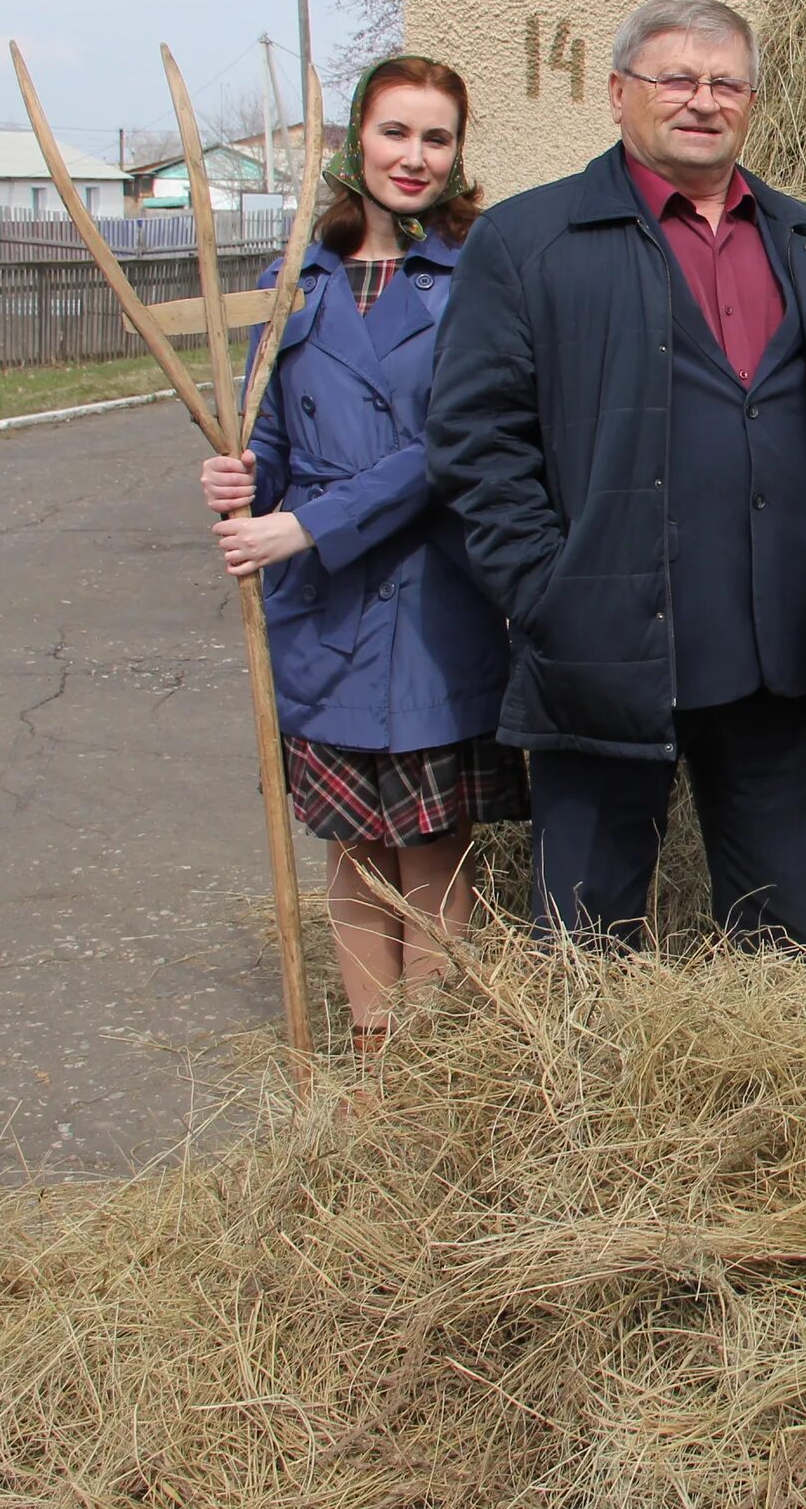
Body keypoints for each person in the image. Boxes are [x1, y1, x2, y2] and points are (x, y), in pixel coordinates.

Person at [424, 0, 806, 948]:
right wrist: (547, 591)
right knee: (586, 937)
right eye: (675, 78)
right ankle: (587, 1093)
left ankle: (765, 1092)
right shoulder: (529, 243)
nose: (702, 101)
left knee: (776, 933)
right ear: (617, 93)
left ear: (754, 101)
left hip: (773, 650)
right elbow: (476, 440)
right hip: (603, 646)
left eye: (726, 82)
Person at [199, 54, 521, 1055]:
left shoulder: (478, 280)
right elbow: (272, 442)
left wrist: (306, 522)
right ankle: (373, 1051)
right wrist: (240, 478)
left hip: (433, 600)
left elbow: (448, 445)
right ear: (356, 143)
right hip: (326, 610)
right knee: (354, 841)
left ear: (459, 154)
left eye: (436, 138)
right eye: (395, 133)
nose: (414, 157)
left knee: (429, 840)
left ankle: (433, 1059)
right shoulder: (292, 285)